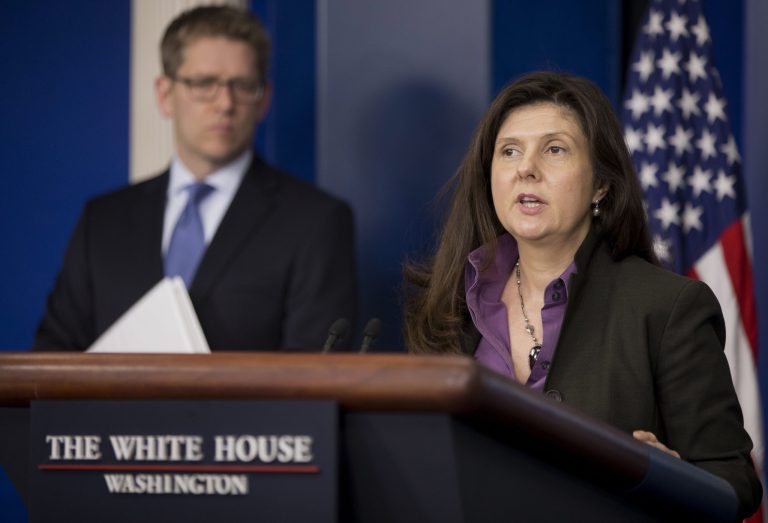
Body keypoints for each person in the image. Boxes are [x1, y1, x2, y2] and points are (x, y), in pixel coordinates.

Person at [403, 71, 761, 518]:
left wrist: (676, 476)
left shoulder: (667, 307)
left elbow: (735, 483)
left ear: (601, 185)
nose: (525, 169)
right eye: (509, 151)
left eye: (555, 150)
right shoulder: (450, 305)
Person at [34, 5, 357, 351]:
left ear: (264, 100)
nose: (225, 103)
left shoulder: (315, 221)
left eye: (243, 85)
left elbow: (313, 381)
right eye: (204, 83)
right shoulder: (103, 220)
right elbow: (51, 363)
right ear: (164, 94)